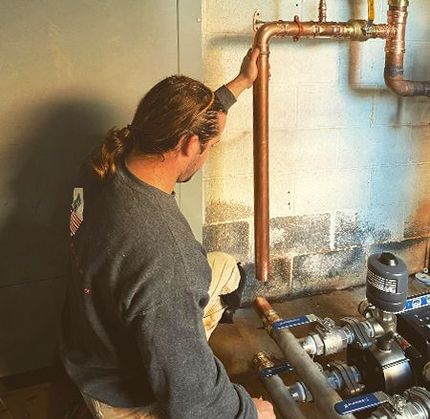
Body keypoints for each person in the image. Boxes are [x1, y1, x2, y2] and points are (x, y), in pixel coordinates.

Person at [60, 47, 275, 419]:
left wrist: (241, 82)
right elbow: (195, 403)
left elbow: (201, 120)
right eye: (210, 146)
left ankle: (182, 344)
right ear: (190, 144)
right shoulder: (165, 254)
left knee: (223, 268)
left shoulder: (100, 164)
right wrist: (249, 411)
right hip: (121, 395)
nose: (207, 153)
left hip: (88, 342)